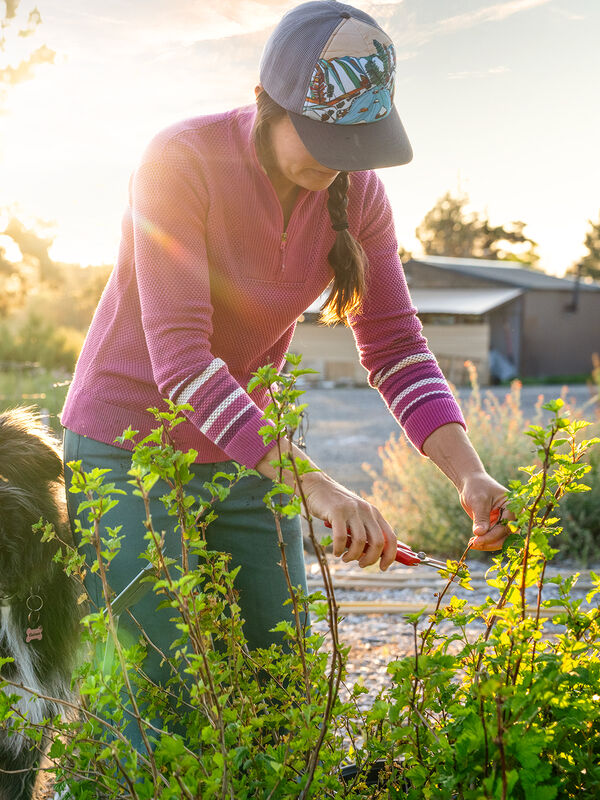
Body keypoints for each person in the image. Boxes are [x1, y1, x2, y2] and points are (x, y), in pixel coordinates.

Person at [61, 0, 508, 754]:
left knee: (283, 685)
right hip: (126, 451)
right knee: (159, 694)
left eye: (357, 139)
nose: (338, 158)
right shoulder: (179, 161)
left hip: (248, 455)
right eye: (325, 133)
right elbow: (182, 358)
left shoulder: (359, 195)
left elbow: (395, 344)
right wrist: (318, 486)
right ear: (270, 99)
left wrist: (468, 472)